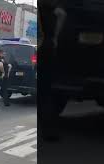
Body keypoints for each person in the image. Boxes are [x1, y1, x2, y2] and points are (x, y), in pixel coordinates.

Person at [39, 0, 67, 142]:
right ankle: (49, 130)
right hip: (48, 48)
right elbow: (61, 14)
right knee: (47, 91)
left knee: (43, 91)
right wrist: (55, 37)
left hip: (42, 48)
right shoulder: (53, 9)